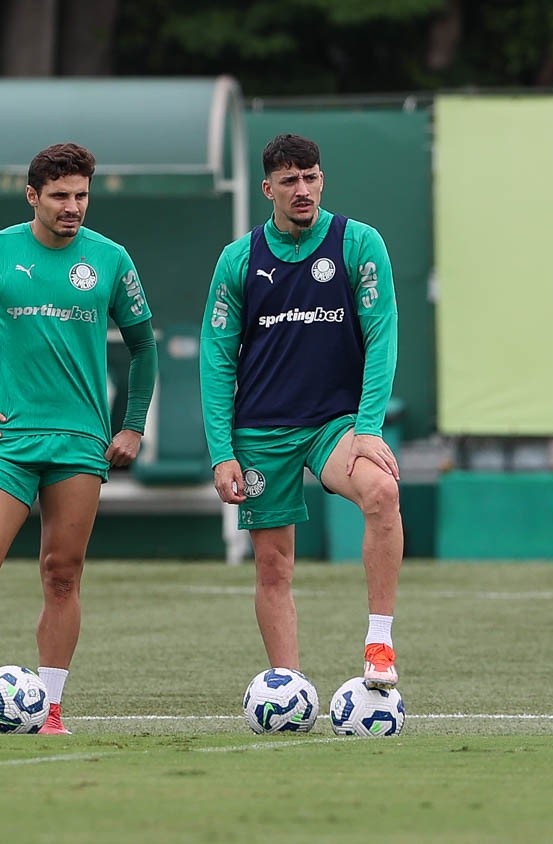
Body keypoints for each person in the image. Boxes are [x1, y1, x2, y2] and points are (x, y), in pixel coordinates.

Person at [0, 142, 157, 735]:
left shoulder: (111, 259)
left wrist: (132, 423)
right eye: (60, 196)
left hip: (79, 441)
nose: (73, 206)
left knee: (61, 572)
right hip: (8, 437)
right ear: (33, 197)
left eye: (81, 195)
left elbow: (144, 346)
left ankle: (50, 711)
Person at [199, 133, 403, 691]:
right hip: (261, 431)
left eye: (311, 177)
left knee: (382, 491)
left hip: (336, 425)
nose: (302, 189)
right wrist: (222, 453)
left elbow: (382, 334)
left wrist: (367, 427)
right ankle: (288, 688)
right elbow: (217, 359)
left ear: (322, 179)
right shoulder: (239, 259)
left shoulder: (358, 243)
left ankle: (380, 642)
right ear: (268, 189)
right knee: (274, 567)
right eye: (289, 180)